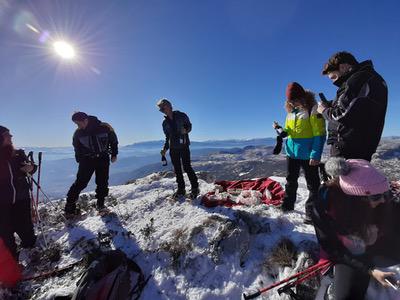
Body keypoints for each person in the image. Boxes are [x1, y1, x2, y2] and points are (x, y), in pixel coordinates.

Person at [313, 157, 400, 300]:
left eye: (385, 193)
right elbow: (333, 248)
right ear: (357, 198)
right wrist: (370, 270)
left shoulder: (381, 198)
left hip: (374, 244)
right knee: (347, 296)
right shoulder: (327, 208)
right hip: (348, 253)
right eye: (377, 196)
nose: (383, 200)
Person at [317, 51, 388, 161]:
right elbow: (356, 105)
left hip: (349, 147)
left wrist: (324, 110)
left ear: (344, 67)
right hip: (360, 144)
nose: (334, 82)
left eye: (334, 77)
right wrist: (331, 104)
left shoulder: (358, 79)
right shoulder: (370, 77)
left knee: (346, 178)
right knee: (356, 178)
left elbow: (341, 115)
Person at [273, 82, 326, 223]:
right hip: (292, 153)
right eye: (290, 101)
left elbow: (319, 134)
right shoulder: (290, 113)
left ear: (302, 97)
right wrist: (278, 129)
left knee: (313, 184)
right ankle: (287, 205)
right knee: (290, 181)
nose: (293, 103)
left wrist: (315, 155)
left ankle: (312, 212)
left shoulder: (313, 109)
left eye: (295, 100)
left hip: (308, 155)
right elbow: (287, 132)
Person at [65, 112, 118, 216]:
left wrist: (114, 154)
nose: (78, 126)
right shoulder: (78, 133)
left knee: (102, 182)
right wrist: (79, 159)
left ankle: (101, 205)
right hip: (87, 160)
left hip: (103, 158)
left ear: (85, 120)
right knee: (80, 183)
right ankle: (69, 208)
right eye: (76, 124)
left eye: (78, 123)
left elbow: (114, 141)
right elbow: (77, 147)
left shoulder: (105, 127)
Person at [0, 126, 37, 259]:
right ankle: (12, 261)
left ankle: (31, 249)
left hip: (21, 197)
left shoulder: (17, 154)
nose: (11, 137)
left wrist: (31, 167)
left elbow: (31, 167)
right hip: (3, 202)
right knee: (6, 232)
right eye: (7, 135)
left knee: (26, 227)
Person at [157, 99, 199, 199]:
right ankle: (181, 189)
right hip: (173, 148)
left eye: (163, 107)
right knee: (177, 169)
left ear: (169, 106)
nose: (162, 110)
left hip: (184, 146)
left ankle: (195, 188)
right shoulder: (164, 123)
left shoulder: (182, 115)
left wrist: (186, 130)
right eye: (160, 109)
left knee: (187, 167)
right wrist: (164, 149)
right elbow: (167, 138)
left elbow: (189, 126)